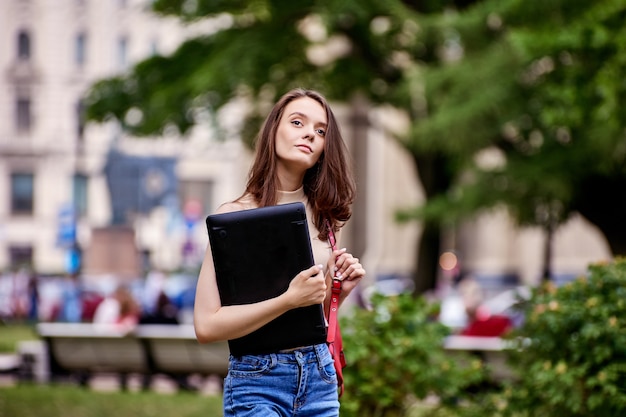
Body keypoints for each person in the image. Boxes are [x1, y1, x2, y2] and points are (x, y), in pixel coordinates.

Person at [194, 88, 366, 416]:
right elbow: (206, 326)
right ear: (274, 130)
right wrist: (288, 299)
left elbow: (311, 319)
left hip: (319, 376)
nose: (309, 135)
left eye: (320, 131)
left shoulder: (326, 219)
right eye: (298, 122)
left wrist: (337, 292)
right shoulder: (233, 216)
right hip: (259, 380)